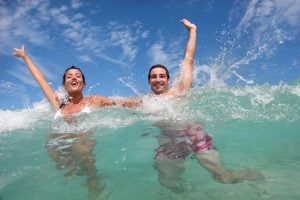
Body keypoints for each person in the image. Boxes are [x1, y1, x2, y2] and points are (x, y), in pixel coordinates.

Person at [143, 18, 264, 193]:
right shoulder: (144, 101)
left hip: (193, 135)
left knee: (222, 177)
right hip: (168, 142)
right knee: (167, 182)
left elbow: (188, 60)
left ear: (168, 79)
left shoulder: (180, 90)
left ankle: (250, 174)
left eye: (162, 76)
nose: (158, 79)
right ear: (148, 80)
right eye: (154, 76)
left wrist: (192, 31)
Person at [12, 46, 135, 199]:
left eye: (78, 76)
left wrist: (145, 103)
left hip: (82, 142)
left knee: (80, 141)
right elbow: (41, 81)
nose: (74, 78)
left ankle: (93, 180)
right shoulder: (58, 105)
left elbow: (120, 103)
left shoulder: (94, 100)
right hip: (59, 146)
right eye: (69, 76)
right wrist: (26, 58)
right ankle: (72, 172)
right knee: (52, 144)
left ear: (83, 83)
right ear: (64, 84)